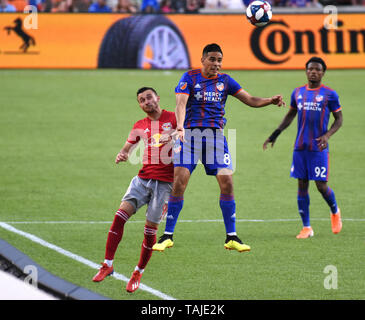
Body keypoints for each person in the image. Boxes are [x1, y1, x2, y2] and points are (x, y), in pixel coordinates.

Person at [152, 43, 285, 253]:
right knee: (179, 183)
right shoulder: (190, 78)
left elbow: (249, 99)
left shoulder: (226, 81)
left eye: (219, 60)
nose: (217, 64)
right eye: (212, 59)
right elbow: (181, 104)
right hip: (189, 136)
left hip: (215, 138)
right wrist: (179, 127)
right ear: (203, 59)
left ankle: (231, 237)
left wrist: (270, 100)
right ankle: (167, 235)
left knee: (227, 182)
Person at [92, 87, 176, 293]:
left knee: (149, 233)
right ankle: (107, 264)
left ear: (157, 98)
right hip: (142, 180)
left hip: (165, 185)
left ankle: (138, 272)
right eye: (141, 100)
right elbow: (127, 147)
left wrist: (173, 135)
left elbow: (188, 132)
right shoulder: (140, 125)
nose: (146, 101)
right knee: (119, 216)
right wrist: (122, 154)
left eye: (149, 97)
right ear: (139, 105)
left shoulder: (173, 117)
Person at [263, 57, 343, 239]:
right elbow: (290, 115)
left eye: (317, 70)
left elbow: (339, 119)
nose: (313, 72)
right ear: (306, 71)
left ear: (323, 73)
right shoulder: (298, 92)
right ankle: (307, 227)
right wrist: (275, 134)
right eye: (310, 69)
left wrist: (327, 135)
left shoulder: (330, 94)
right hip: (300, 147)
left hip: (318, 148)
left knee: (321, 186)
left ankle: (335, 211)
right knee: (302, 185)